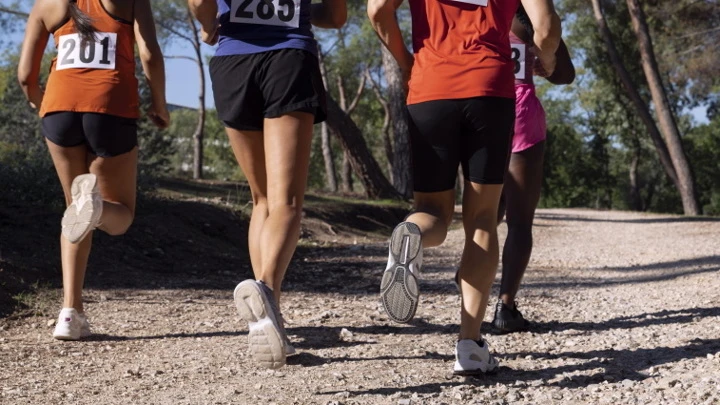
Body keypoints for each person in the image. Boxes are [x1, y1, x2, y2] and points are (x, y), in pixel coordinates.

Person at [368, 0, 561, 375]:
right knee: (483, 219)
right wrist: (548, 60)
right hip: (490, 89)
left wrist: (407, 60)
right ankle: (470, 346)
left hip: (430, 87)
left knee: (432, 211)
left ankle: (412, 235)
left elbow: (377, 10)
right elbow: (547, 28)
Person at [188, 0, 346, 370]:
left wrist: (209, 23)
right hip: (288, 57)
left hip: (232, 62)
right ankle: (266, 297)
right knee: (286, 201)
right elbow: (336, 16)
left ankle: (265, 312)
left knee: (261, 199)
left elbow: (198, 2)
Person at [17, 0, 168, 341]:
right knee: (121, 215)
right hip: (110, 106)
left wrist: (45, 104)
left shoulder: (47, 4)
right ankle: (96, 207)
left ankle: (70, 314)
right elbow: (150, 55)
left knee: (75, 210)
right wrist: (159, 103)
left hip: (59, 109)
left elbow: (26, 76)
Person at [492, 8, 575, 333]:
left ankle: (468, 286)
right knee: (520, 220)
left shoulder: (474, 8)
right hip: (521, 113)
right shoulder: (527, 14)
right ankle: (506, 307)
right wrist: (547, 63)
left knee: (486, 211)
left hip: (481, 111)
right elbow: (565, 73)